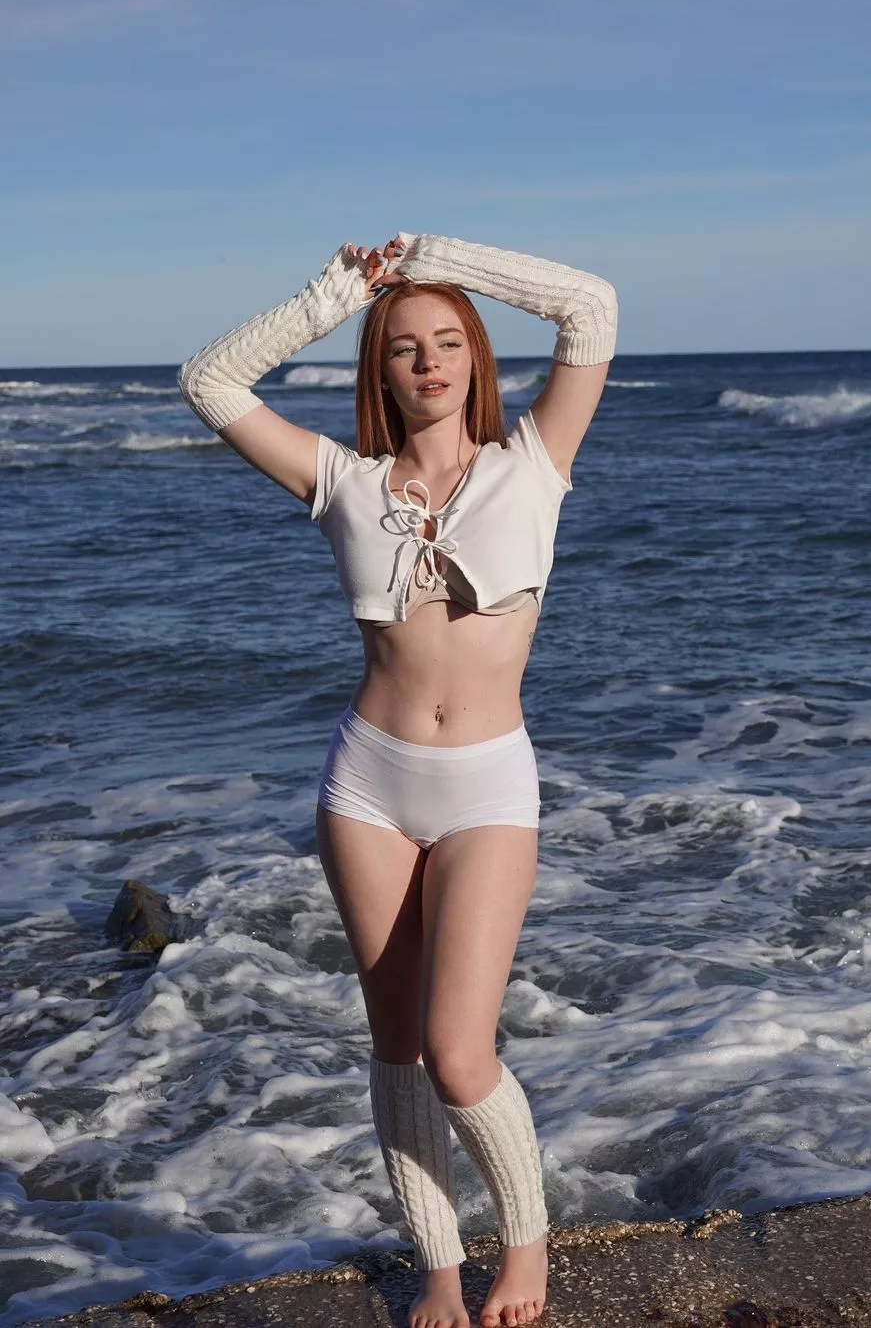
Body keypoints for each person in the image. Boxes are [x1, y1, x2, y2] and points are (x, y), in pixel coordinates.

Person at [177, 230, 617, 1328]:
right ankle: (432, 1270)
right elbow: (209, 381)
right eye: (405, 348)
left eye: (448, 341)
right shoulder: (341, 482)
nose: (428, 362)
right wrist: (338, 295)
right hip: (368, 784)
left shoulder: (536, 463)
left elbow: (592, 307)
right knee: (397, 1048)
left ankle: (526, 1255)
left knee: (463, 1053)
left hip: (486, 788)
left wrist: (438, 256)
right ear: (379, 371)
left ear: (475, 356)